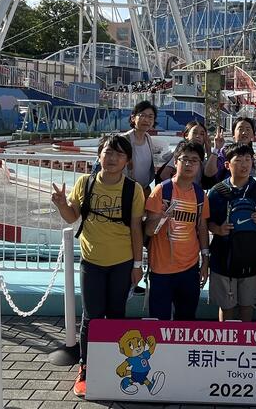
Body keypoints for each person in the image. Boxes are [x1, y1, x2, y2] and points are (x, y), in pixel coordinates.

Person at [50, 134, 145, 398]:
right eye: (108, 152)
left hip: (122, 262)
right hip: (91, 261)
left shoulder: (133, 189)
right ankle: (86, 366)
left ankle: (115, 364)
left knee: (116, 315)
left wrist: (137, 264)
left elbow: (136, 229)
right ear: (99, 155)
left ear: (127, 161)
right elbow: (72, 217)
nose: (112, 158)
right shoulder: (86, 183)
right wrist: (61, 204)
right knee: (91, 317)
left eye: (119, 154)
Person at [207, 142, 256, 321]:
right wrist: (218, 230)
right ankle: (225, 338)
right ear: (227, 165)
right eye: (238, 160)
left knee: (247, 305)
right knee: (226, 306)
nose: (244, 164)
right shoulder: (217, 192)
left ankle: (245, 337)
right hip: (223, 257)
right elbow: (207, 222)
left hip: (251, 255)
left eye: (248, 159)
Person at [144, 140, 210, 320]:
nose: (189, 164)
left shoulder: (200, 195)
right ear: (175, 161)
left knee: (186, 321)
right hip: (161, 269)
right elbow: (149, 231)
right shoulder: (161, 191)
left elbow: (202, 228)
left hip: (189, 268)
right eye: (184, 159)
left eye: (194, 160)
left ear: (199, 165)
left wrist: (205, 260)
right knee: (159, 322)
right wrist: (162, 217)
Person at [156, 120, 218, 187]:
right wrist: (177, 190)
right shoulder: (182, 153)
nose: (198, 136)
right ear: (186, 135)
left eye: (202, 134)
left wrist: (209, 150)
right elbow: (164, 175)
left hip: (194, 192)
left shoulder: (201, 156)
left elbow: (209, 173)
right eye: (194, 133)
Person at [125, 101, 158, 196]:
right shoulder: (124, 139)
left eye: (150, 117)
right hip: (127, 190)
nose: (146, 120)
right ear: (133, 118)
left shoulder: (148, 138)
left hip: (144, 190)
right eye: (142, 115)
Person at [214, 117, 256, 182]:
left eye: (248, 129)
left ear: (253, 135)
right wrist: (216, 149)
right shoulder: (225, 151)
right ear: (233, 134)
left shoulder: (251, 154)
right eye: (240, 129)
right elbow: (210, 173)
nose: (244, 132)